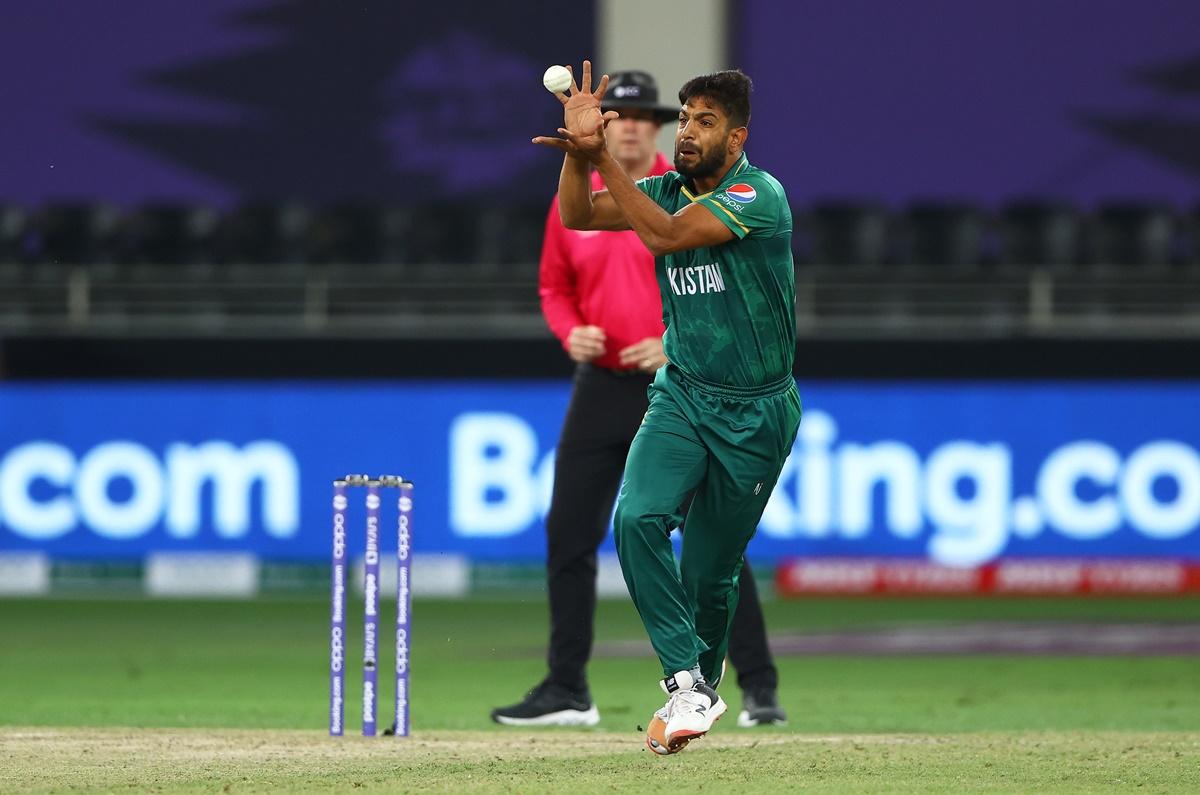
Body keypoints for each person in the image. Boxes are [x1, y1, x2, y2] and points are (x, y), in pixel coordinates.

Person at [491, 71, 787, 731]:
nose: (687, 129)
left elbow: (667, 236)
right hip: (675, 391)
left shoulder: (757, 194)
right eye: (684, 117)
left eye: (703, 120)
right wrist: (578, 152)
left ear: (736, 136)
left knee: (714, 569)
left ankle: (746, 685)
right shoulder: (658, 187)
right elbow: (577, 216)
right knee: (634, 520)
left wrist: (600, 159)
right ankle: (684, 684)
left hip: (753, 409)